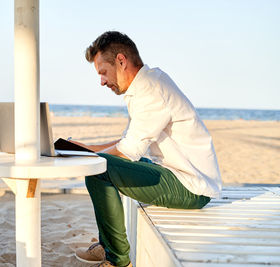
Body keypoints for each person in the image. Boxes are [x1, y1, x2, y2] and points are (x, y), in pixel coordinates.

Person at [72, 31, 222, 267]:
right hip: (175, 172)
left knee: (98, 169)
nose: (102, 81)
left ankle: (117, 259)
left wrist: (90, 156)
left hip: (192, 186)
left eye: (103, 72)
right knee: (101, 162)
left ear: (121, 61)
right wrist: (85, 148)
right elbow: (127, 143)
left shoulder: (151, 90)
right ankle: (107, 246)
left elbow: (127, 151)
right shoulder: (147, 84)